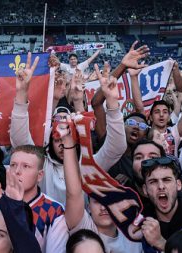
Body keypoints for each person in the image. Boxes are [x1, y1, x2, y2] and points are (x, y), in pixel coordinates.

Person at [10, 51, 128, 207]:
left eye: (69, 138)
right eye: (57, 139)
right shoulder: (42, 165)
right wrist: (22, 93)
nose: (63, 144)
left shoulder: (88, 166)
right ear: (49, 141)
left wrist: (112, 102)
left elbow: (117, 147)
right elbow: (20, 142)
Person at [61, 116, 143, 253]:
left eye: (111, 200)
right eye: (97, 201)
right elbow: (73, 194)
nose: (104, 207)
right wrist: (68, 143)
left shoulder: (134, 237)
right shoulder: (83, 226)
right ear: (88, 206)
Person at [0, 145, 68, 253]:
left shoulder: (54, 211)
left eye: (26, 166)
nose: (17, 171)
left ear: (40, 176)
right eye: (13, 165)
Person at [140, 156, 182, 252]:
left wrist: (160, 242)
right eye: (153, 182)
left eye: (166, 180)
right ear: (145, 189)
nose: (161, 186)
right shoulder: (141, 220)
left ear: (178, 185)